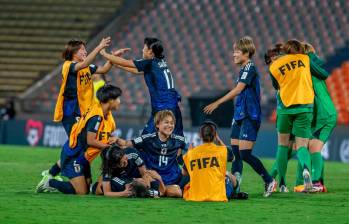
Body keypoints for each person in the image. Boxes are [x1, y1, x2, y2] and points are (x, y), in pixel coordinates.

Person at [39, 39, 129, 183]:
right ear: (74, 52)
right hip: (71, 112)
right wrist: (99, 47)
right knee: (77, 144)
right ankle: (51, 175)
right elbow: (84, 64)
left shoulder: (87, 67)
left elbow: (104, 69)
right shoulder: (68, 66)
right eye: (82, 50)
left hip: (83, 112)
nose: (85, 52)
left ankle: (62, 175)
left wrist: (113, 58)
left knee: (79, 145)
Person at [204, 36, 276, 197]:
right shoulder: (243, 69)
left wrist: (217, 103)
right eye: (234, 51)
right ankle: (236, 185)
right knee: (236, 154)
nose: (234, 55)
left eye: (237, 52)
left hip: (250, 116)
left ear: (246, 53)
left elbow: (238, 90)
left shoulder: (250, 68)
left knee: (244, 154)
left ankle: (269, 179)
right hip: (239, 115)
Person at [36, 85, 121, 195]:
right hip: (74, 155)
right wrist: (108, 147)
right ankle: (50, 183)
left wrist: (113, 140)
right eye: (118, 98)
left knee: (87, 186)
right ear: (110, 100)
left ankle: (54, 174)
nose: (120, 101)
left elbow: (103, 135)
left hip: (84, 158)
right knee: (81, 191)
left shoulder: (107, 115)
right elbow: (90, 141)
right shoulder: (96, 117)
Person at [268, 39, 329, 192]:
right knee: (302, 146)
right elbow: (323, 74)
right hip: (305, 108)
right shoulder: (305, 59)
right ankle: (306, 171)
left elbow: (277, 86)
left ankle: (282, 184)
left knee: (282, 146)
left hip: (285, 109)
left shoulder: (274, 66)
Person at [99, 37, 184, 137]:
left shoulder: (149, 63)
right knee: (176, 140)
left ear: (150, 51)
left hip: (163, 109)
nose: (142, 50)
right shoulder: (159, 62)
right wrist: (115, 63)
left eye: (144, 48)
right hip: (173, 106)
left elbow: (126, 62)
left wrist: (104, 53)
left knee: (146, 140)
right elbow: (136, 70)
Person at [117, 110, 185, 197]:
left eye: (172, 123)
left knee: (176, 192)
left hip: (172, 177)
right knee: (139, 183)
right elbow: (127, 144)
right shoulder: (147, 139)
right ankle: (160, 191)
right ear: (157, 124)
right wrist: (116, 140)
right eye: (166, 122)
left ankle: (158, 192)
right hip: (153, 178)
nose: (169, 125)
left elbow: (186, 153)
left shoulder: (179, 140)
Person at [182, 120, 248, 201]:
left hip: (195, 196)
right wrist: (219, 141)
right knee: (227, 175)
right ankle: (236, 191)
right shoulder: (223, 150)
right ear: (215, 135)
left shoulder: (191, 153)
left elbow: (184, 173)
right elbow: (233, 158)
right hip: (218, 195)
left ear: (200, 135)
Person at [92, 145, 165, 198]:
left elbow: (144, 174)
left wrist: (147, 188)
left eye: (125, 158)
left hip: (131, 177)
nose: (126, 161)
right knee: (99, 190)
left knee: (154, 185)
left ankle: (141, 189)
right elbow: (107, 193)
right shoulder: (108, 168)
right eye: (122, 163)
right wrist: (123, 193)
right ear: (115, 166)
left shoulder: (133, 154)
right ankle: (94, 186)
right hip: (118, 178)